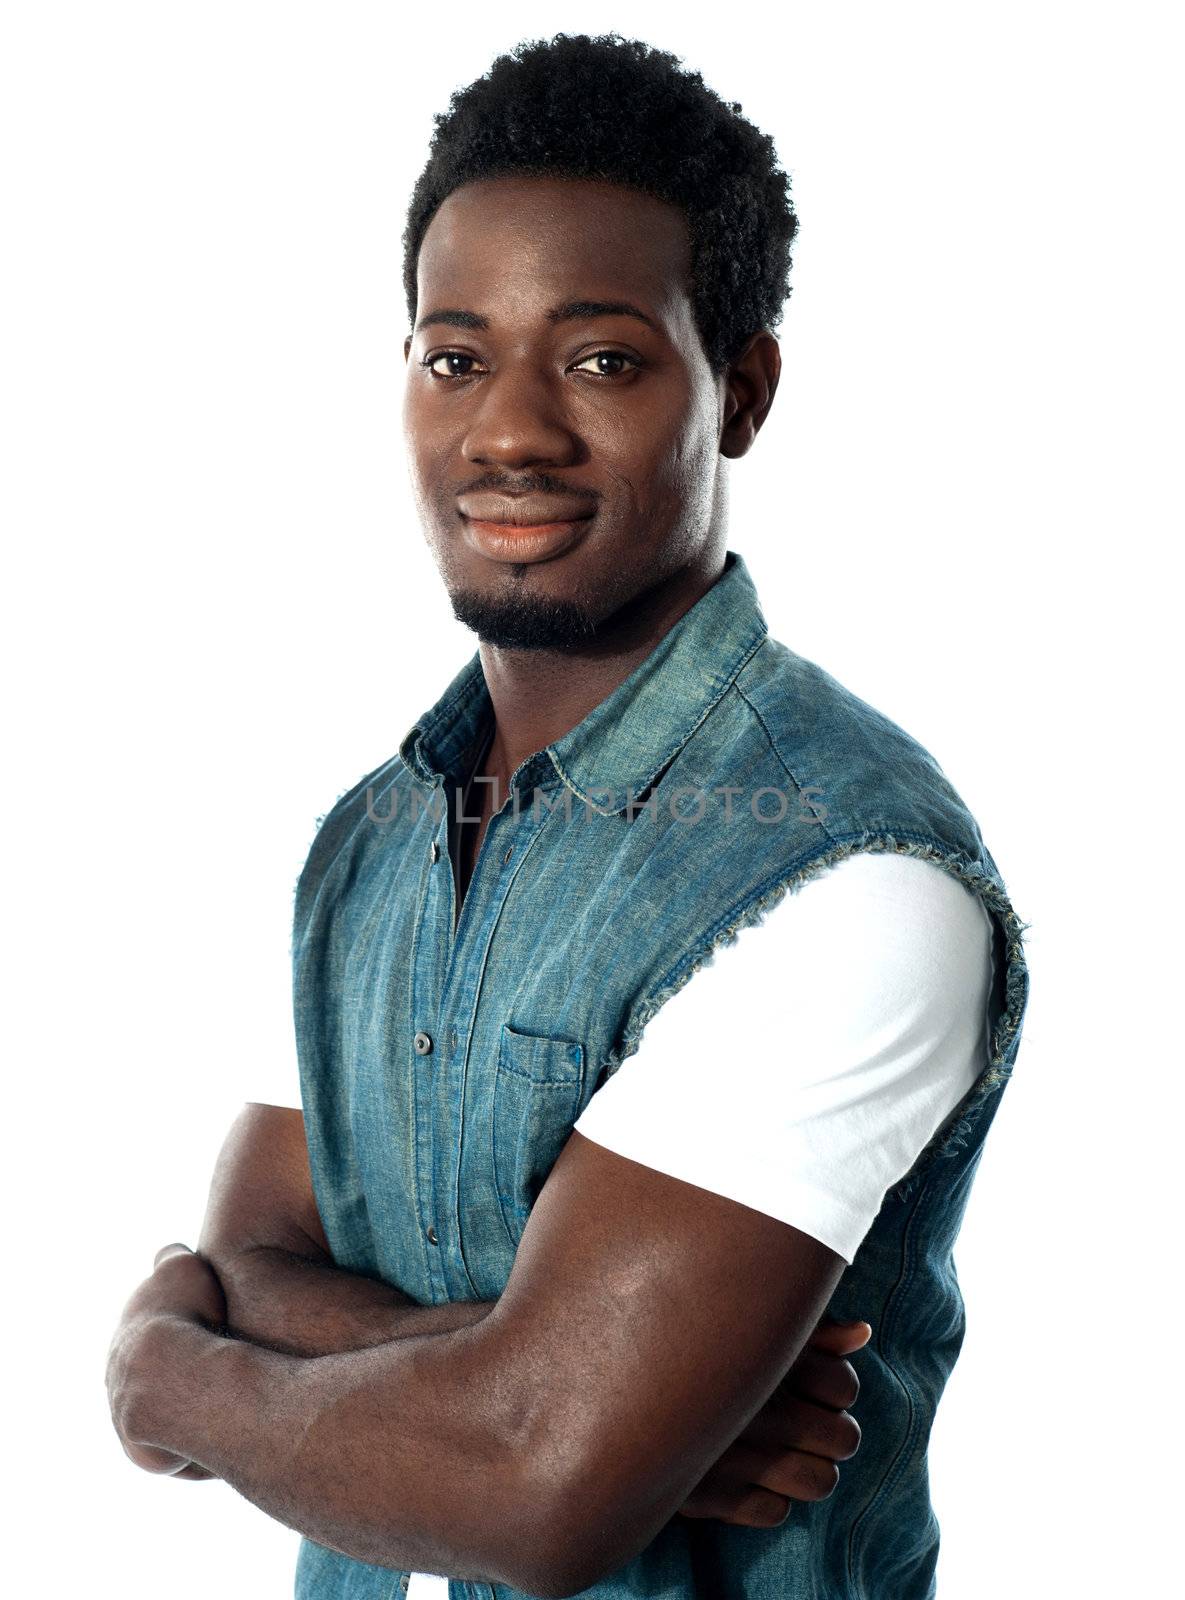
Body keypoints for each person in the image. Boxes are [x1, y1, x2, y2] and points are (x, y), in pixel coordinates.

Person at [106, 31, 1031, 1600]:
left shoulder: (839, 872)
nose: (511, 431)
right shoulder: (369, 844)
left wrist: (158, 1376)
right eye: (454, 356)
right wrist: (536, 1384)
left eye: (600, 359)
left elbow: (533, 1493)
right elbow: (257, 1260)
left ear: (738, 391)